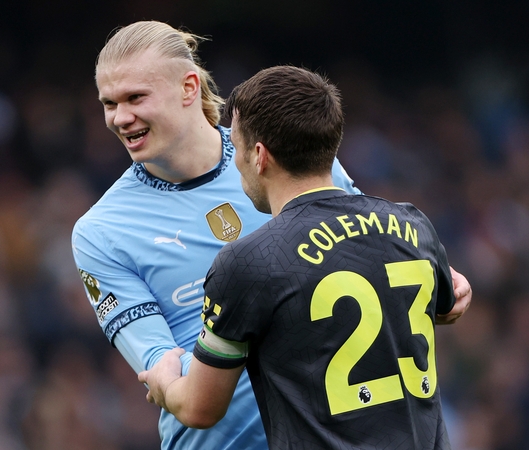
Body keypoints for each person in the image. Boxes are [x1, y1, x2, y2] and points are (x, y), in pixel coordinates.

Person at [72, 20, 471, 450]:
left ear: (188, 88)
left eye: (135, 98)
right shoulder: (102, 232)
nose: (120, 118)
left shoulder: (287, 155)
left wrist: (435, 278)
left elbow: (372, 262)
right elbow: (162, 365)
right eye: (109, 103)